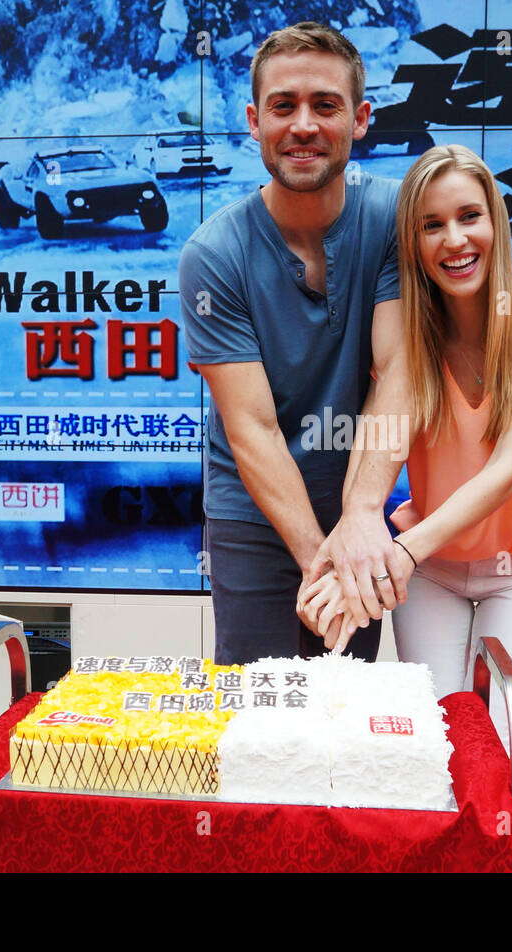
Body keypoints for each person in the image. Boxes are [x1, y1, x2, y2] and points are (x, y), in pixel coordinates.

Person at [300, 144, 512, 743]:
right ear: (412, 245)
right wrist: (347, 548)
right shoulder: (409, 344)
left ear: (496, 222)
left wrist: (396, 556)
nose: (454, 240)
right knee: (433, 740)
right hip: (432, 571)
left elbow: (504, 473)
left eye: (469, 216)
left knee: (491, 740)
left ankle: (503, 836)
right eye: (431, 225)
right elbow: (381, 439)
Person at [179, 22, 412, 667]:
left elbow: (397, 368)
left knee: (342, 714)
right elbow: (250, 427)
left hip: (356, 504)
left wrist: (362, 518)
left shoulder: (394, 219)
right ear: (255, 121)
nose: (303, 125)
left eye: (325, 105)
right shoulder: (215, 253)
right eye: (283, 106)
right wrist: (322, 562)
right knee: (257, 715)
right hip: (252, 514)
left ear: (361, 119)